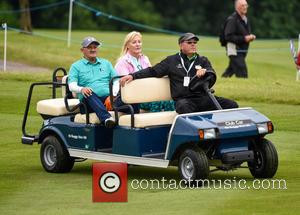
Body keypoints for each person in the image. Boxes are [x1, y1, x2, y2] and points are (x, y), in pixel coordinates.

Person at [120, 32, 238, 114]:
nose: (193, 44)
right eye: (189, 42)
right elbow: (153, 71)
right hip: (184, 100)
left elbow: (212, 74)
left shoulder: (203, 60)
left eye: (195, 42)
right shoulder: (171, 61)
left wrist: (206, 71)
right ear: (181, 45)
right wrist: (133, 75)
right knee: (183, 107)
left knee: (232, 105)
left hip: (203, 97)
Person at [115, 31, 175, 112]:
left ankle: (170, 123)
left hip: (147, 92)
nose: (138, 44)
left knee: (170, 101)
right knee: (156, 102)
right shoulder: (123, 62)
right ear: (127, 45)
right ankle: (154, 123)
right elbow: (127, 84)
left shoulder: (145, 59)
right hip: (134, 97)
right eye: (134, 42)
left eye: (139, 42)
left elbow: (151, 74)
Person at [68, 36, 117, 128]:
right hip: (88, 103)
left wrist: (112, 95)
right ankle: (107, 118)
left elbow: (117, 80)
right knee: (88, 92)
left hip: (108, 99)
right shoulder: (76, 66)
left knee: (127, 97)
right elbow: (71, 85)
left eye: (95, 47)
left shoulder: (106, 63)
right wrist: (81, 89)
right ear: (82, 50)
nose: (93, 50)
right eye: (89, 47)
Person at [222, 0, 256, 78]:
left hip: (242, 50)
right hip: (234, 50)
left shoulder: (245, 19)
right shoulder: (232, 19)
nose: (245, 7)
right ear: (237, 7)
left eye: (246, 5)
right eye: (242, 5)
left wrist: (250, 37)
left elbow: (244, 34)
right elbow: (228, 36)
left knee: (231, 69)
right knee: (242, 72)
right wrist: (244, 38)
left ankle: (222, 79)